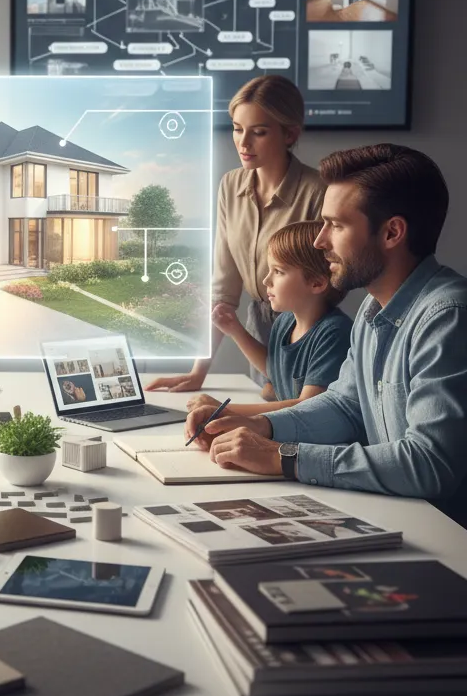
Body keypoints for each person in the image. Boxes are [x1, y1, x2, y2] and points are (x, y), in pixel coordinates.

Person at [190, 145, 467, 529]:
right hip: (402, 518)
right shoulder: (371, 311)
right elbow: (344, 406)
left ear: (391, 233)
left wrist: (283, 456)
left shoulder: (447, 317)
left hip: (447, 539)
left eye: (336, 225)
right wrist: (262, 428)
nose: (320, 241)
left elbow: (430, 464)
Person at [147, 75, 325, 394]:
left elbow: (323, 288)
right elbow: (223, 289)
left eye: (258, 132)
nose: (243, 143)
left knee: (287, 427)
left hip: (307, 330)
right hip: (256, 328)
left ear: (290, 133)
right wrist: (198, 371)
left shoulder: (317, 192)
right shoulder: (231, 185)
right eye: (237, 128)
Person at [185, 220, 352, 426]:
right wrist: (235, 330)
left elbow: (308, 406)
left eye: (278, 271)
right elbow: (274, 369)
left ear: (316, 283)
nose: (266, 281)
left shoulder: (334, 333)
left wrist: (224, 410)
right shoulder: (285, 321)